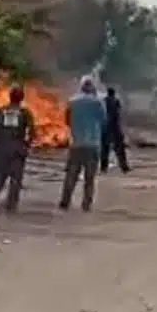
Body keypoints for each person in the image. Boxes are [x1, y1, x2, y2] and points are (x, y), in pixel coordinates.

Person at [0, 85, 35, 212]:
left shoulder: (1, 111)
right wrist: (26, 144)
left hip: (2, 149)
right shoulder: (25, 113)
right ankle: (11, 205)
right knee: (15, 179)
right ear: (22, 98)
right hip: (18, 150)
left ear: (10, 96)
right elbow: (32, 132)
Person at [61, 76, 106, 211]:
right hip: (92, 145)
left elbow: (67, 121)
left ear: (81, 87)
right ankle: (86, 204)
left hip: (76, 144)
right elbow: (103, 121)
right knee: (89, 178)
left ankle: (65, 201)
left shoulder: (72, 102)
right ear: (92, 88)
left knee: (71, 175)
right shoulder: (98, 103)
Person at [100, 85, 131, 174]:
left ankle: (103, 168)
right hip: (114, 127)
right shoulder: (116, 101)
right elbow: (118, 113)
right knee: (119, 149)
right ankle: (124, 167)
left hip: (105, 127)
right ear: (113, 93)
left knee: (105, 149)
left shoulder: (104, 101)